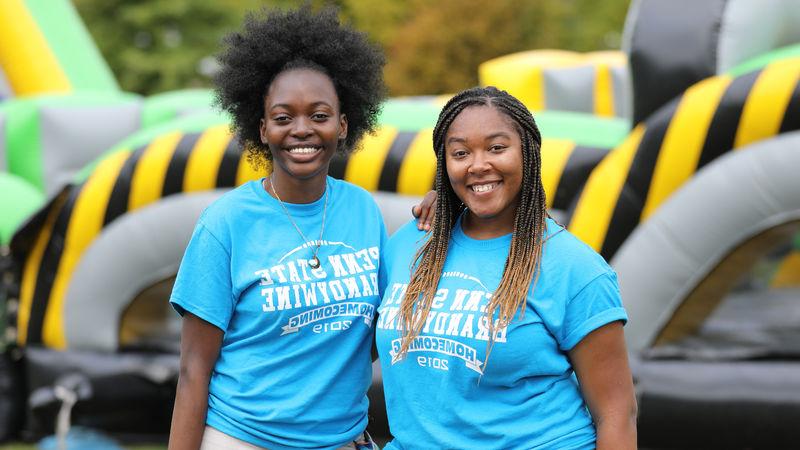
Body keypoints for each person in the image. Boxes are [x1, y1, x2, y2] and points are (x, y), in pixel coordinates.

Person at [168, 7, 433, 450]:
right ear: (262, 128)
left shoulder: (362, 209)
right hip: (243, 439)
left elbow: (373, 330)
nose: (302, 129)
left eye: (319, 114)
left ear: (343, 124)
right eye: (284, 116)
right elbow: (194, 368)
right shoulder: (226, 223)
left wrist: (452, 206)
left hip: (342, 440)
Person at [376, 86, 638, 449]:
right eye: (460, 153)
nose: (478, 164)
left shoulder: (574, 268)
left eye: (497, 148)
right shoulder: (411, 243)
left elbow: (616, 413)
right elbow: (347, 351)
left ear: (528, 153)